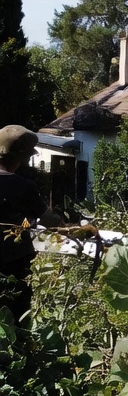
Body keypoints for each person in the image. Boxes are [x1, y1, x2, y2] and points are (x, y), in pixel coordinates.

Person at [0, 125, 62, 327]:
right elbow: (48, 220)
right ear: (22, 158)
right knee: (14, 325)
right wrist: (69, 225)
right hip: (13, 268)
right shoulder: (23, 186)